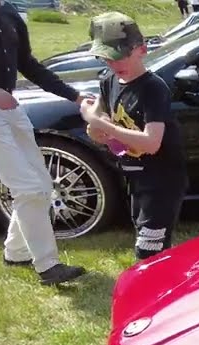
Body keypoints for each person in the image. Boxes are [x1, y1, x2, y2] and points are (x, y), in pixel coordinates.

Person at [0, 0, 88, 285]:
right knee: (28, 187)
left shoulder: (8, 12)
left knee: (42, 185)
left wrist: (76, 96)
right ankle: (48, 265)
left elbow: (28, 64)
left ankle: (16, 251)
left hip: (9, 105)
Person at [80, 13, 188, 262]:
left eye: (120, 56)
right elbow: (98, 132)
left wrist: (98, 122)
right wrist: (96, 126)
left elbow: (151, 143)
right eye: (106, 58)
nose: (114, 63)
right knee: (145, 237)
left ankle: (156, 294)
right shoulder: (108, 81)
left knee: (149, 250)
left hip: (161, 180)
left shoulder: (153, 88)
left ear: (141, 49)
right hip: (134, 175)